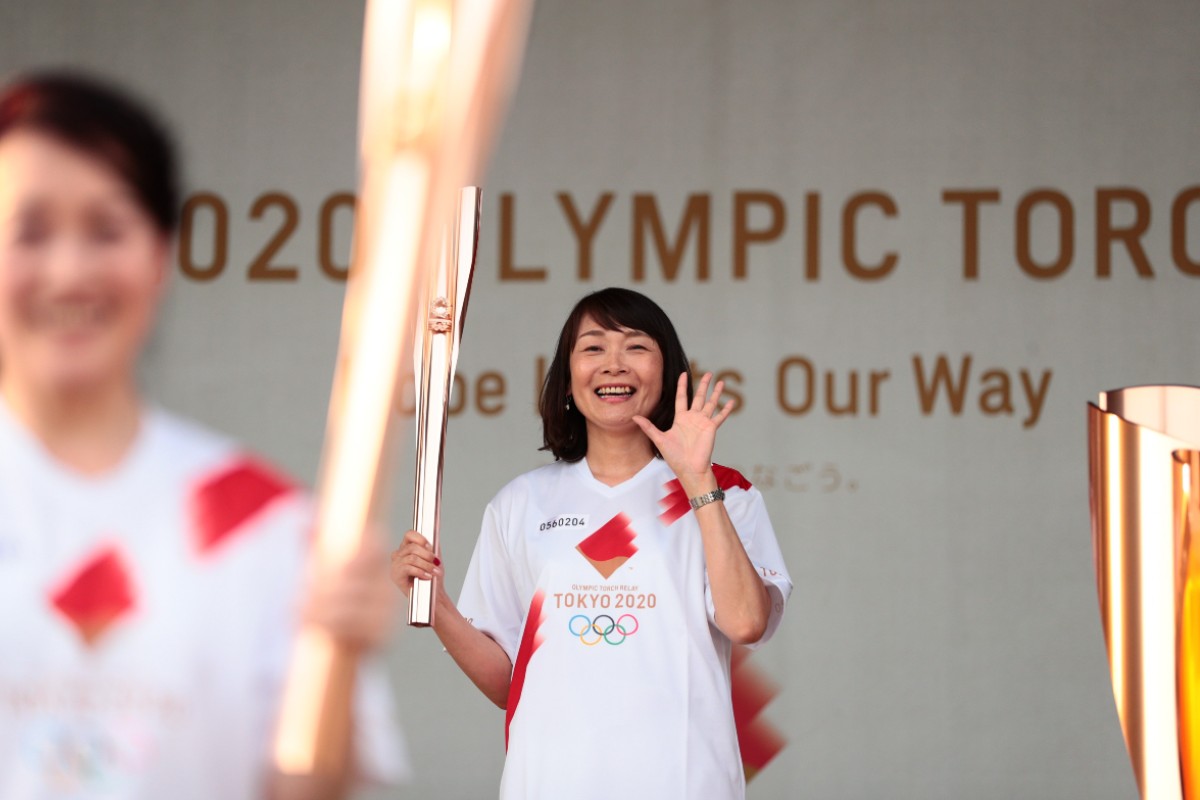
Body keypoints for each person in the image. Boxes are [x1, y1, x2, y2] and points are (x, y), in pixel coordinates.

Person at [0, 71, 407, 799]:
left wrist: (336, 666)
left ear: (160, 255)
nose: (67, 272)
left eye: (105, 230)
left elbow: (305, 788)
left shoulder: (262, 520)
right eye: (30, 232)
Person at [392, 287, 792, 799]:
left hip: (683, 781)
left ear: (668, 374)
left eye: (636, 347)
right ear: (568, 378)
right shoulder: (523, 503)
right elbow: (505, 682)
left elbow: (746, 622)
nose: (614, 365)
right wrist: (437, 601)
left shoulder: (725, 493)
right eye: (594, 348)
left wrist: (697, 482)